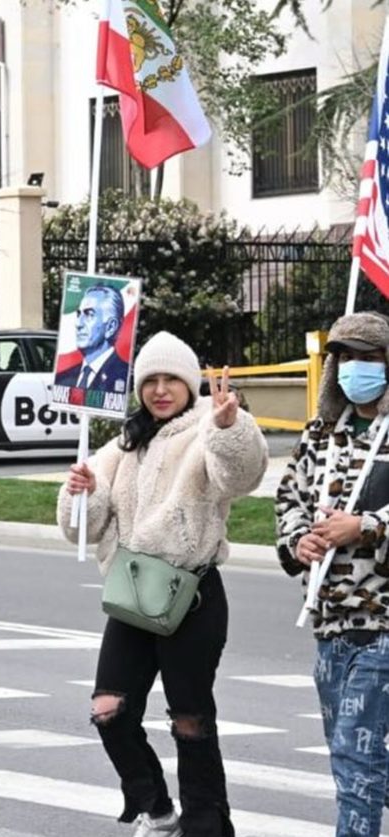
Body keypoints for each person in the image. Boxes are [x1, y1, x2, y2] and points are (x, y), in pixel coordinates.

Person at [57, 331, 268, 837]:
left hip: (191, 598)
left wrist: (227, 426)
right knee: (108, 709)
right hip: (132, 597)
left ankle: (206, 824)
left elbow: (241, 477)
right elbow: (78, 530)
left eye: (171, 378)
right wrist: (82, 494)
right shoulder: (123, 443)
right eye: (149, 380)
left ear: (190, 382)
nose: (160, 389)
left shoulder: (209, 428)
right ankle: (155, 808)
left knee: (190, 720)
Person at [275, 311, 389, 837]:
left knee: (353, 749)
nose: (355, 368)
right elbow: (290, 497)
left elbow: (367, 522)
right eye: (346, 358)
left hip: (383, 623)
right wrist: (299, 539)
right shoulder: (321, 433)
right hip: (329, 623)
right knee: (352, 752)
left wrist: (365, 526)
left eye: (369, 358)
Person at [56, 283, 130, 393]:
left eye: (89, 314)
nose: (78, 324)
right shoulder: (63, 379)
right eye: (78, 314)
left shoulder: (125, 377)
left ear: (110, 327)